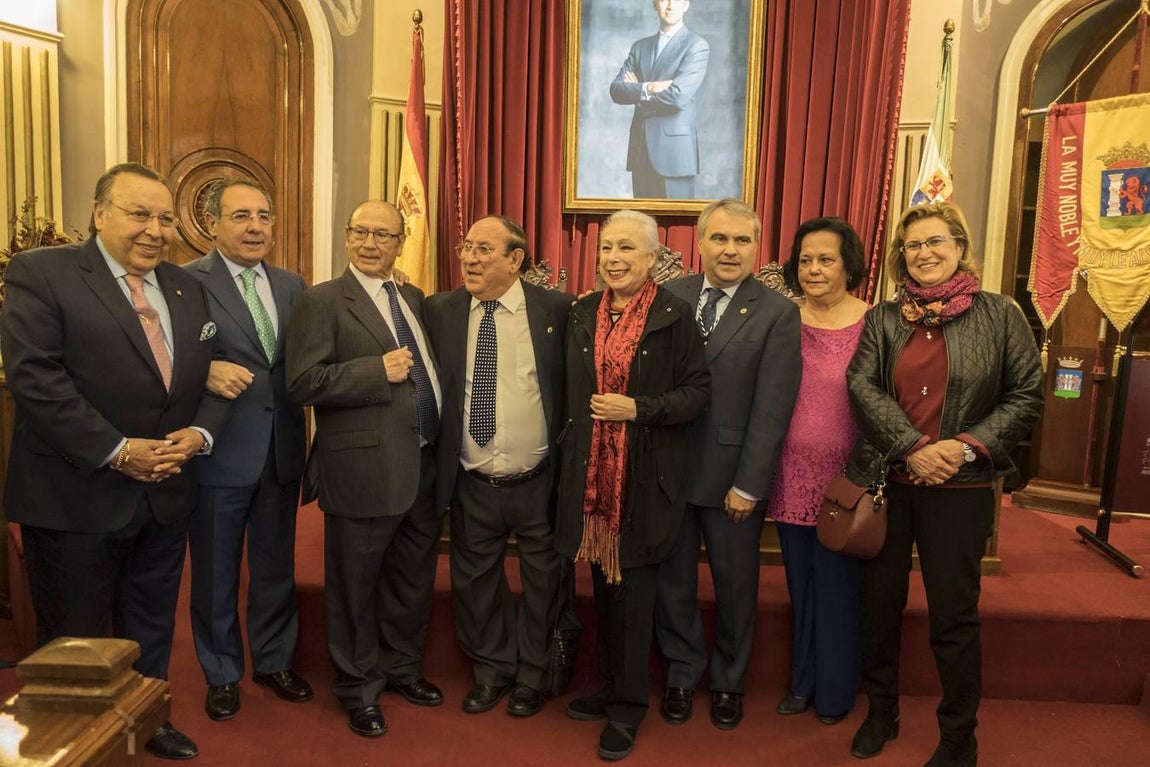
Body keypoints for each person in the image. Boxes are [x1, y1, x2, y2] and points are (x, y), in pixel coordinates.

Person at [0, 162, 230, 760]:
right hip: (77, 494)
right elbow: (36, 378)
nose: (155, 229)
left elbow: (211, 375)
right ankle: (75, 740)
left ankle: (146, 719)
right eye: (139, 213)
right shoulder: (41, 274)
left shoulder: (186, 286)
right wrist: (117, 451)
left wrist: (199, 434)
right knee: (74, 638)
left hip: (166, 492)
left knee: (151, 621)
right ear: (99, 214)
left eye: (165, 218)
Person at [845, 202, 1043, 766]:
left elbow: (1027, 394)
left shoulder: (1000, 314)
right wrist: (912, 447)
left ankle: (959, 737)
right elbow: (862, 387)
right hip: (889, 484)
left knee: (953, 616)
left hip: (961, 486)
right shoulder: (883, 318)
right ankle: (881, 712)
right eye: (912, 245)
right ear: (899, 255)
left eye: (935, 242)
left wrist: (960, 447)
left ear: (959, 246)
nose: (924, 253)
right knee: (878, 607)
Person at [285, 200, 444, 739]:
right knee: (355, 586)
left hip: (423, 463)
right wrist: (373, 371)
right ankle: (356, 686)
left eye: (383, 234)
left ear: (401, 243)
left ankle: (401, 669)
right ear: (347, 237)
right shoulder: (321, 301)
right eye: (361, 232)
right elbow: (303, 383)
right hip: (362, 470)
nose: (371, 243)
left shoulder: (414, 298)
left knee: (410, 579)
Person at [558, 209, 710, 761]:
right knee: (602, 589)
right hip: (588, 480)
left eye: (626, 249)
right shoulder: (581, 312)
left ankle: (627, 708)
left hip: (644, 483)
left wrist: (638, 409)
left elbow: (697, 394)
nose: (613, 259)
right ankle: (609, 687)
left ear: (652, 258)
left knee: (634, 595)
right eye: (606, 249)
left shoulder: (675, 315)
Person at [654, 199, 801, 730]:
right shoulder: (670, 295)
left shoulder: (778, 312)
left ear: (756, 247)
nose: (730, 250)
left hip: (731, 479)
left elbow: (773, 408)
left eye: (742, 240)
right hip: (668, 472)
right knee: (673, 584)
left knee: (735, 587)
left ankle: (728, 682)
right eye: (720, 239)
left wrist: (750, 484)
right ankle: (680, 673)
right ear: (701, 242)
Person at [424, 215, 572, 718]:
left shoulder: (557, 309)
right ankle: (491, 670)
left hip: (538, 481)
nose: (469, 258)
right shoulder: (440, 310)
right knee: (474, 581)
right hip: (471, 480)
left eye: (484, 250)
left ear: (515, 259)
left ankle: (532, 674)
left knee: (544, 582)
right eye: (466, 247)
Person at [184, 177, 312, 722]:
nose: (255, 225)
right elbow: (163, 360)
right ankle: (221, 672)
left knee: (275, 566)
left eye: (263, 214)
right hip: (220, 452)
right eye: (240, 216)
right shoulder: (184, 282)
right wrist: (203, 370)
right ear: (213, 224)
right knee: (215, 573)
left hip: (281, 450)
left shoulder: (291, 283)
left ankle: (274, 660)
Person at [768, 217, 869, 727]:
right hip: (789, 474)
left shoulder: (875, 322)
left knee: (837, 587)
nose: (813, 268)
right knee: (800, 585)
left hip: (846, 480)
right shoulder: (781, 319)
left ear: (849, 265)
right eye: (805, 259)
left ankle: (833, 691)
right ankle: (801, 682)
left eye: (825, 259)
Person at [610, 0, 709, 199]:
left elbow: (677, 97)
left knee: (675, 227)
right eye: (664, 0)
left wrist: (638, 95)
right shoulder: (639, 47)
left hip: (675, 156)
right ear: (654, 4)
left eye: (677, 0)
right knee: (642, 227)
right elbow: (616, 90)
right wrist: (650, 87)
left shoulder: (696, 46)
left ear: (686, 5)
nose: (670, 6)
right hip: (641, 152)